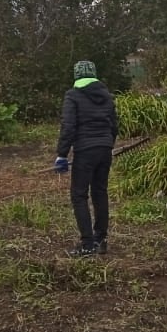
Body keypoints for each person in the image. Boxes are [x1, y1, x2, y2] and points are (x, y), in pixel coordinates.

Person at [53, 59, 118, 256]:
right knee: (100, 192)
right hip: (104, 149)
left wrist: (62, 155)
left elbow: (68, 126)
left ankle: (87, 244)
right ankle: (101, 239)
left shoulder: (73, 95)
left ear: (77, 76)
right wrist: (107, 144)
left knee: (79, 195)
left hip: (85, 150)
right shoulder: (106, 96)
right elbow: (114, 125)